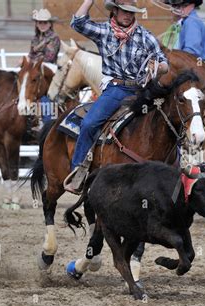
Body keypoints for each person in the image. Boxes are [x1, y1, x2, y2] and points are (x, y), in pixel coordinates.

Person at [65, 0, 169, 194]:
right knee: (89, 123)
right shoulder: (104, 32)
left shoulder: (145, 36)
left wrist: (159, 67)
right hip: (116, 89)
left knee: (170, 118)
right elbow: (77, 23)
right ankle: (78, 169)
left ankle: (177, 166)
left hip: (142, 88)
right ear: (114, 10)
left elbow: (163, 61)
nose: (128, 15)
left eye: (131, 12)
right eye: (124, 11)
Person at [28, 9, 61, 125]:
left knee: (46, 95)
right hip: (36, 68)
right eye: (40, 22)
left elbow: (50, 57)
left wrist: (34, 59)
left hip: (48, 70)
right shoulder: (35, 38)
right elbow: (30, 55)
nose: (42, 25)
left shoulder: (54, 37)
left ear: (50, 24)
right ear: (36, 24)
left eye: (45, 22)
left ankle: (48, 122)